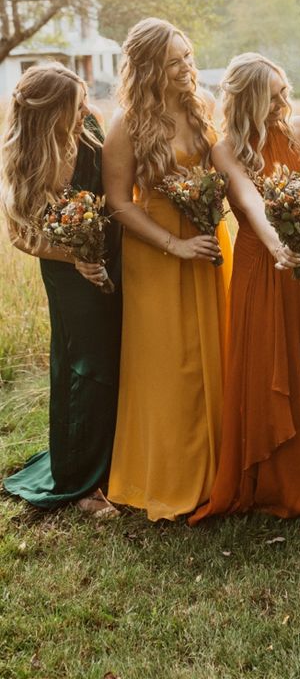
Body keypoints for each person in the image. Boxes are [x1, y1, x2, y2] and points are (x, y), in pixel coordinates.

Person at [190, 53, 300, 525]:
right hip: (260, 261)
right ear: (248, 96)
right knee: (266, 360)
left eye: (285, 89)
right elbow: (248, 199)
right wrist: (276, 244)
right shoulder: (225, 149)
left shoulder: (299, 130)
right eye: (275, 92)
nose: (285, 98)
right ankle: (273, 475)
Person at [103, 18, 232, 521]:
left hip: (206, 243)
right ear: (150, 66)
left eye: (188, 56)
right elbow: (118, 202)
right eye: (175, 60)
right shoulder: (129, 123)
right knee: (170, 366)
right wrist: (174, 245)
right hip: (158, 250)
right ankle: (170, 476)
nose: (187, 67)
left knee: (214, 353)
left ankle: (220, 470)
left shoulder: (203, 108)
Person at [0, 63, 121, 516]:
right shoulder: (26, 156)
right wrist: (77, 258)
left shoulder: (90, 127)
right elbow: (21, 236)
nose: (86, 109)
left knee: (118, 357)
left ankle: (115, 465)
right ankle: (80, 481)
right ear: (49, 113)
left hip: (114, 258)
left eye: (86, 99)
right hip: (66, 272)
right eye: (75, 104)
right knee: (86, 367)